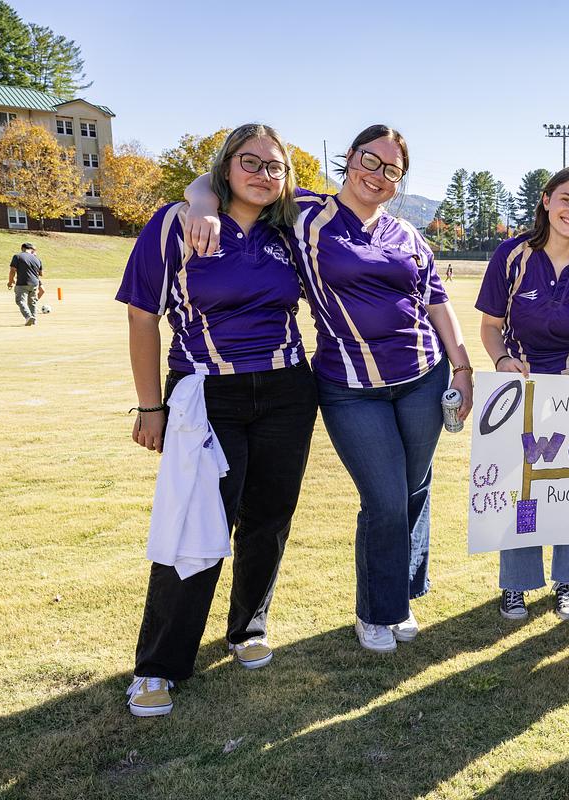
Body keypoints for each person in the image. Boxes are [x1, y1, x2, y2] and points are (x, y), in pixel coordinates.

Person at [186, 125, 474, 654]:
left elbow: (436, 302)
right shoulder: (303, 214)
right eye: (370, 159)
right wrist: (203, 204)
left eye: (393, 169)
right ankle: (375, 612)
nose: (378, 174)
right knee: (384, 499)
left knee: (413, 491)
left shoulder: (408, 235)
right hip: (350, 386)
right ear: (350, 158)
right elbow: (219, 177)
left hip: (422, 378)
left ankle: (401, 596)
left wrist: (461, 368)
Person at [119, 123, 318, 717]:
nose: (263, 174)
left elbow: (354, 201)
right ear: (225, 166)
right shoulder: (176, 222)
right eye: (249, 162)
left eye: (275, 166)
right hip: (207, 390)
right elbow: (140, 317)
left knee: (268, 518)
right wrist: (150, 405)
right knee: (194, 523)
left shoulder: (292, 224)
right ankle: (158, 667)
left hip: (287, 388)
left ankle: (248, 627)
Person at [476, 165, 569, 621]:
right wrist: (502, 362)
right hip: (521, 385)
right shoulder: (512, 254)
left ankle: (566, 582)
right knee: (522, 490)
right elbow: (490, 327)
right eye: (566, 200)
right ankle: (516, 585)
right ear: (546, 200)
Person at [8, 242, 44, 326]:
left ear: (22, 248)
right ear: (31, 249)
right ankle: (34, 320)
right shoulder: (37, 259)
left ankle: (28, 317)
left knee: (20, 301)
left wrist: (10, 282)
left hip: (22, 283)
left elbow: (12, 270)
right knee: (32, 302)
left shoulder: (17, 256)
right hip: (35, 283)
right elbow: (41, 273)